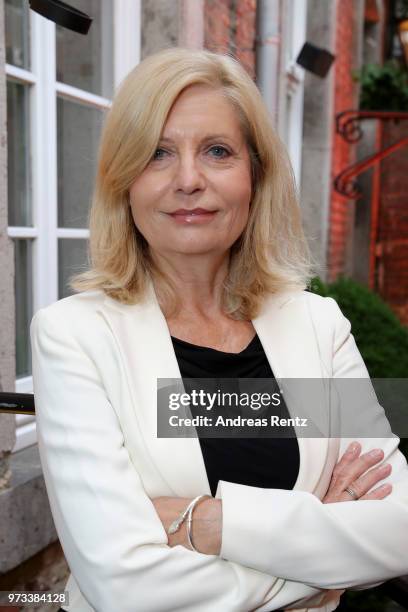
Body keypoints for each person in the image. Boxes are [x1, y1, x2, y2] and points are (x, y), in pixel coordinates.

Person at [30, 47, 408, 612]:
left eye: (217, 151)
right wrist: (321, 570)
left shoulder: (315, 324)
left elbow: (398, 530)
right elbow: (126, 588)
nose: (188, 180)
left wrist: (207, 522)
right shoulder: (75, 337)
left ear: (255, 176)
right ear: (124, 182)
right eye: (157, 153)